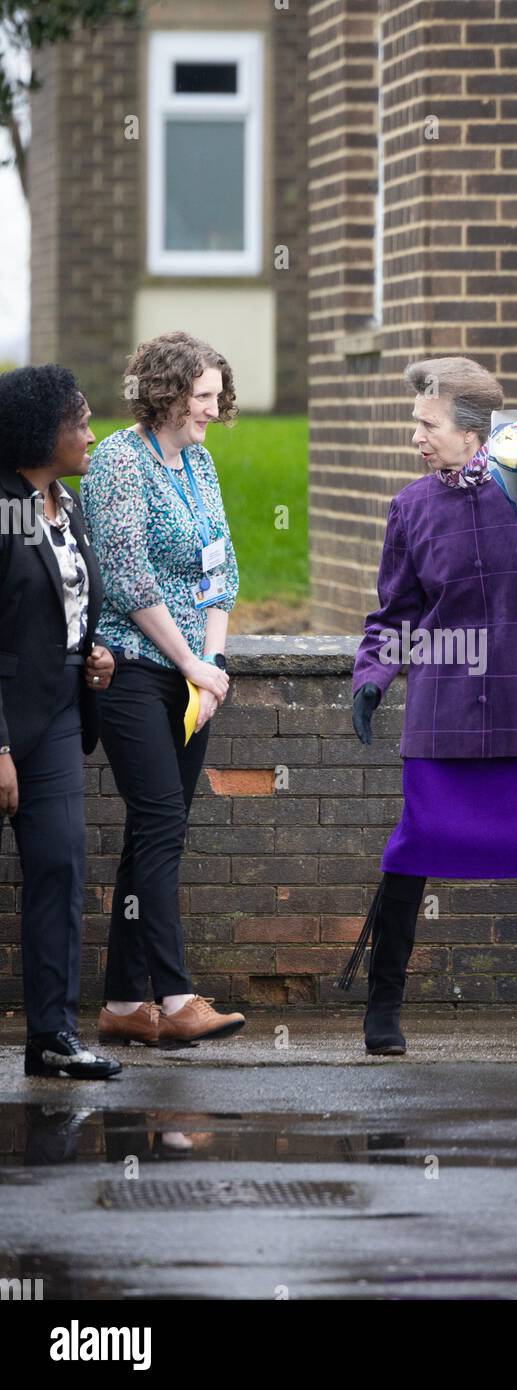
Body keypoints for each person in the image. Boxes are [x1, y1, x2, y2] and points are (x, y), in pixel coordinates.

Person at [344, 355, 517, 1056]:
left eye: (426, 424)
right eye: (415, 423)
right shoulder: (410, 508)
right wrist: (372, 676)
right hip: (441, 713)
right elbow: (396, 612)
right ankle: (383, 1012)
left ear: (473, 433)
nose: (416, 436)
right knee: (413, 850)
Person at [80, 331, 245, 1048]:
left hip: (192, 677)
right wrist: (189, 665)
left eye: (217, 395)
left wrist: (212, 665)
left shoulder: (199, 463)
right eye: (203, 395)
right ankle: (176, 998)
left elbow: (221, 571)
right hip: (134, 670)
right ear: (166, 390)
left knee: (154, 834)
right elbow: (127, 575)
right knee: (159, 828)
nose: (214, 407)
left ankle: (121, 1006)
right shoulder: (120, 461)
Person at [0, 365, 121, 1079]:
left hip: (58, 717)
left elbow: (67, 608)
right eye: (80, 423)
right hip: (7, 724)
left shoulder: (64, 505)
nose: (91, 434)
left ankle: (51, 1038)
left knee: (59, 871)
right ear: (41, 434)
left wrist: (92, 655)